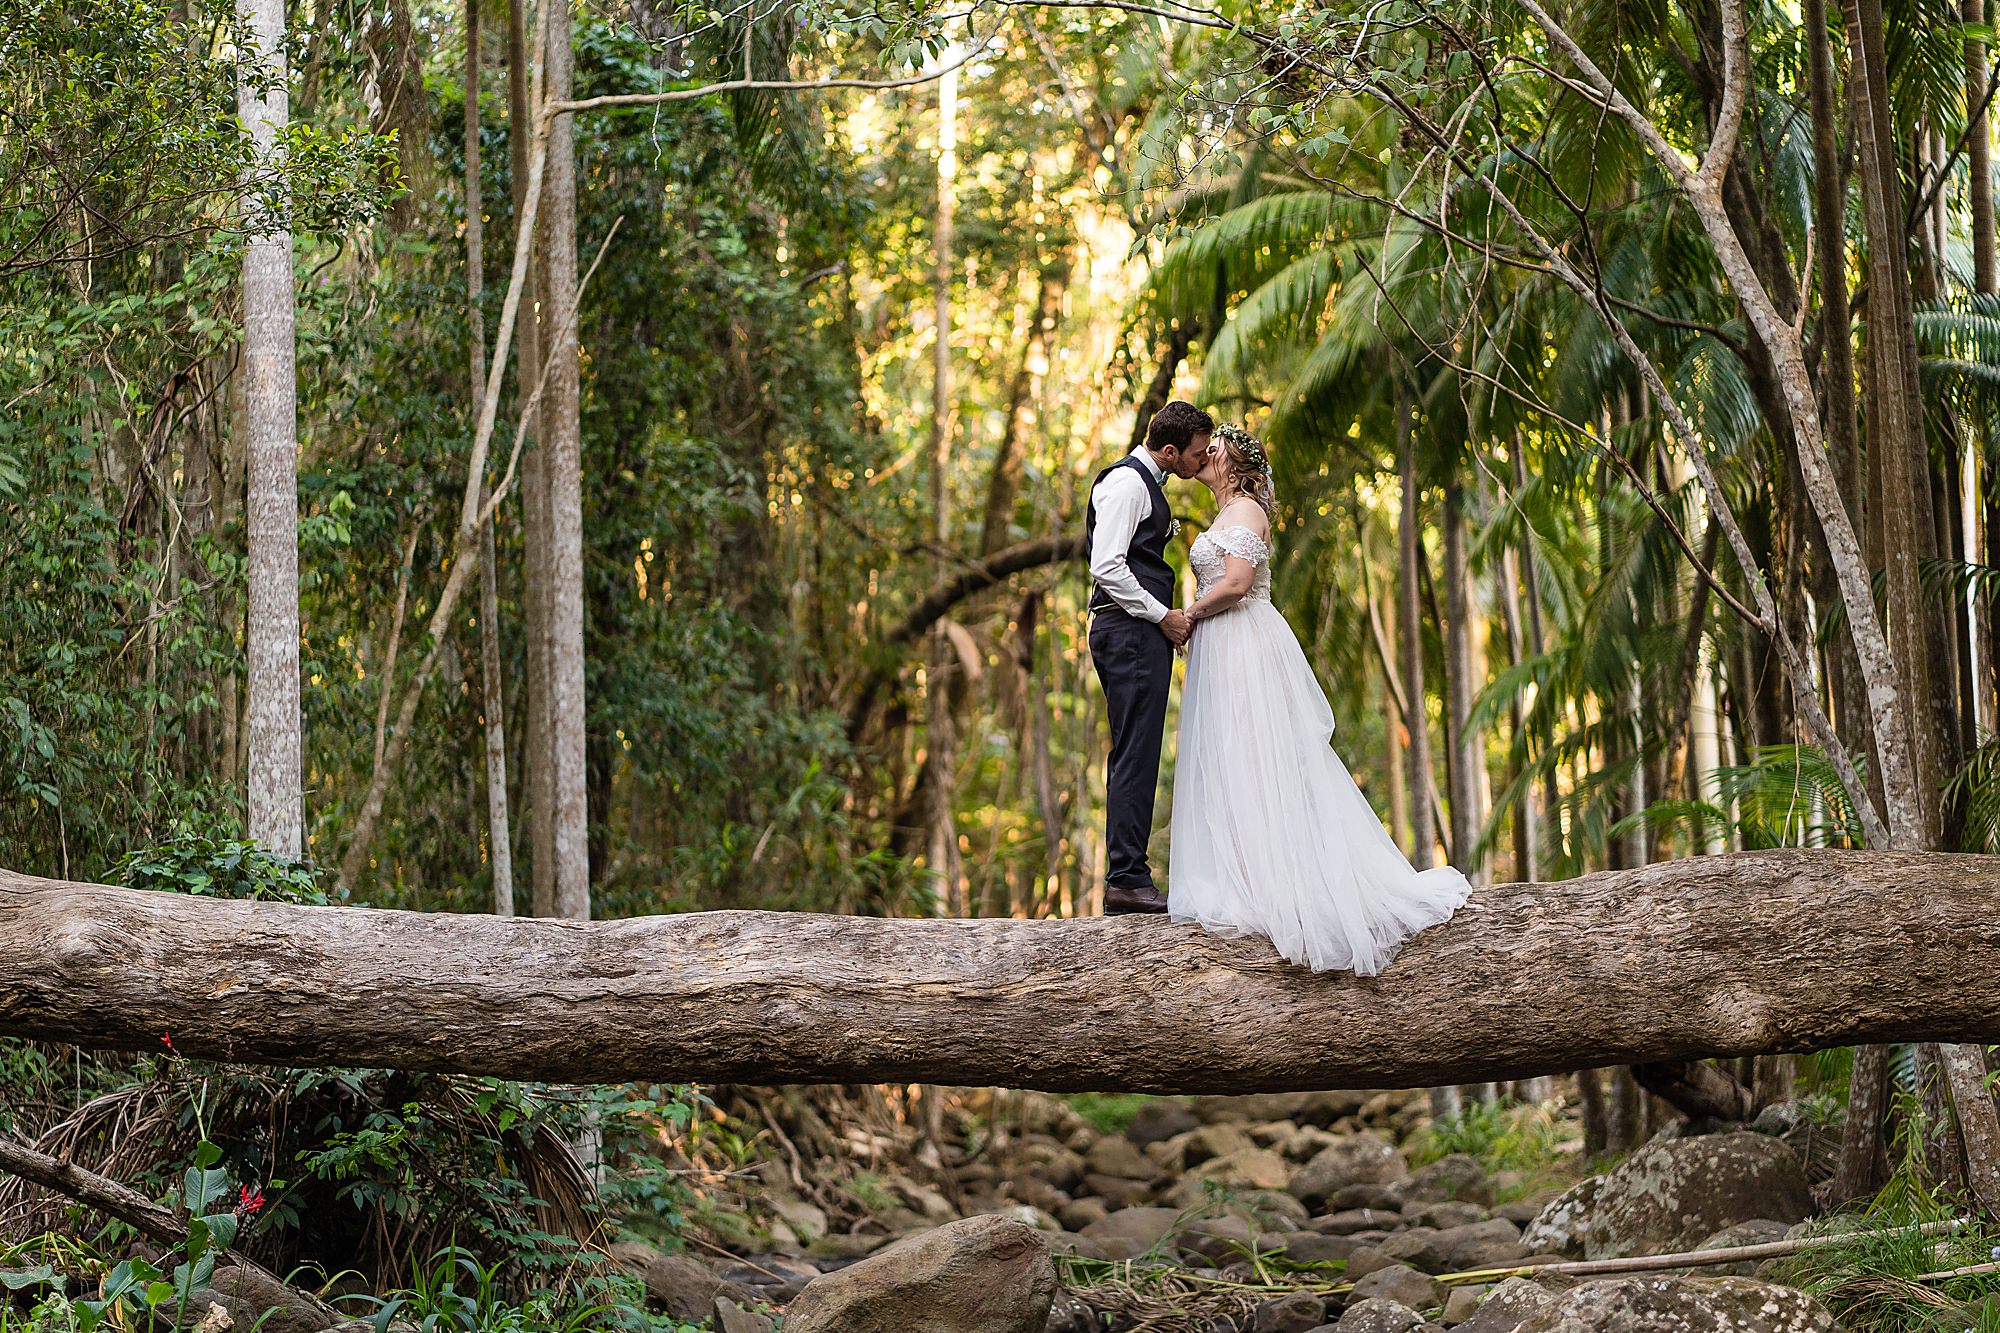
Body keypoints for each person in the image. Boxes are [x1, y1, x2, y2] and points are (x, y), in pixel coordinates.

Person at [1167, 422, 1471, 973]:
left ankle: (1281, 883)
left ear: (1237, 466)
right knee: (1228, 758)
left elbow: (1236, 583)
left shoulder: (1247, 512)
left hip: (1242, 643)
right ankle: (1242, 874)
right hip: (1220, 647)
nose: (1206, 457)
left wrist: (1190, 614)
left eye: (1215, 452)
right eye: (1205, 451)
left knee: (1256, 754)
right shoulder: (1221, 515)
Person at [1085, 401, 1212, 914]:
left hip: (1138, 634)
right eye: (1196, 454)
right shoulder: (1128, 484)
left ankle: (1129, 875)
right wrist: (1162, 615)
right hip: (1129, 631)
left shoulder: (1146, 483)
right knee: (1135, 752)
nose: (1199, 461)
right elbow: (1107, 565)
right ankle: (1126, 879)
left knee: (1140, 748)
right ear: (1168, 451)